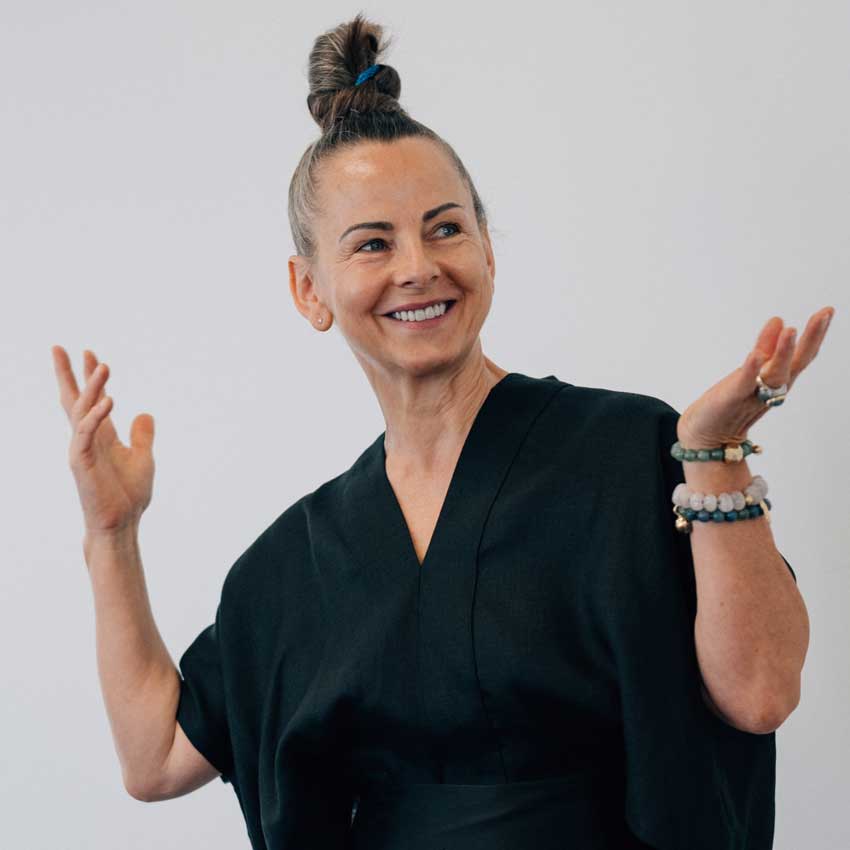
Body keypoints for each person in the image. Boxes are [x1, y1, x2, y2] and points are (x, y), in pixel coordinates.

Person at [53, 12, 827, 850]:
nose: (418, 267)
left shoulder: (629, 454)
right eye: (372, 244)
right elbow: (155, 758)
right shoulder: (294, 567)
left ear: (488, 249)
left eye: (445, 228)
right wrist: (111, 533)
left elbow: (762, 694)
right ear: (309, 290)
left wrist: (714, 456)